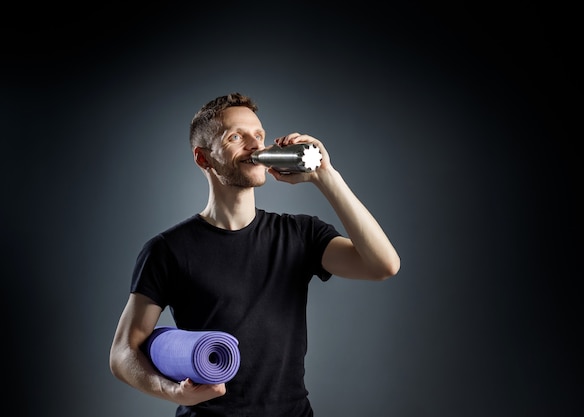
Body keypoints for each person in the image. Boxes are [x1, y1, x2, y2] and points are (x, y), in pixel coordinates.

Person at [109, 92, 401, 417]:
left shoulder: (300, 235)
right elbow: (123, 353)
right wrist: (173, 391)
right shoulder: (168, 250)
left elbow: (383, 265)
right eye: (236, 136)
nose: (255, 144)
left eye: (258, 135)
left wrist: (326, 177)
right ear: (203, 158)